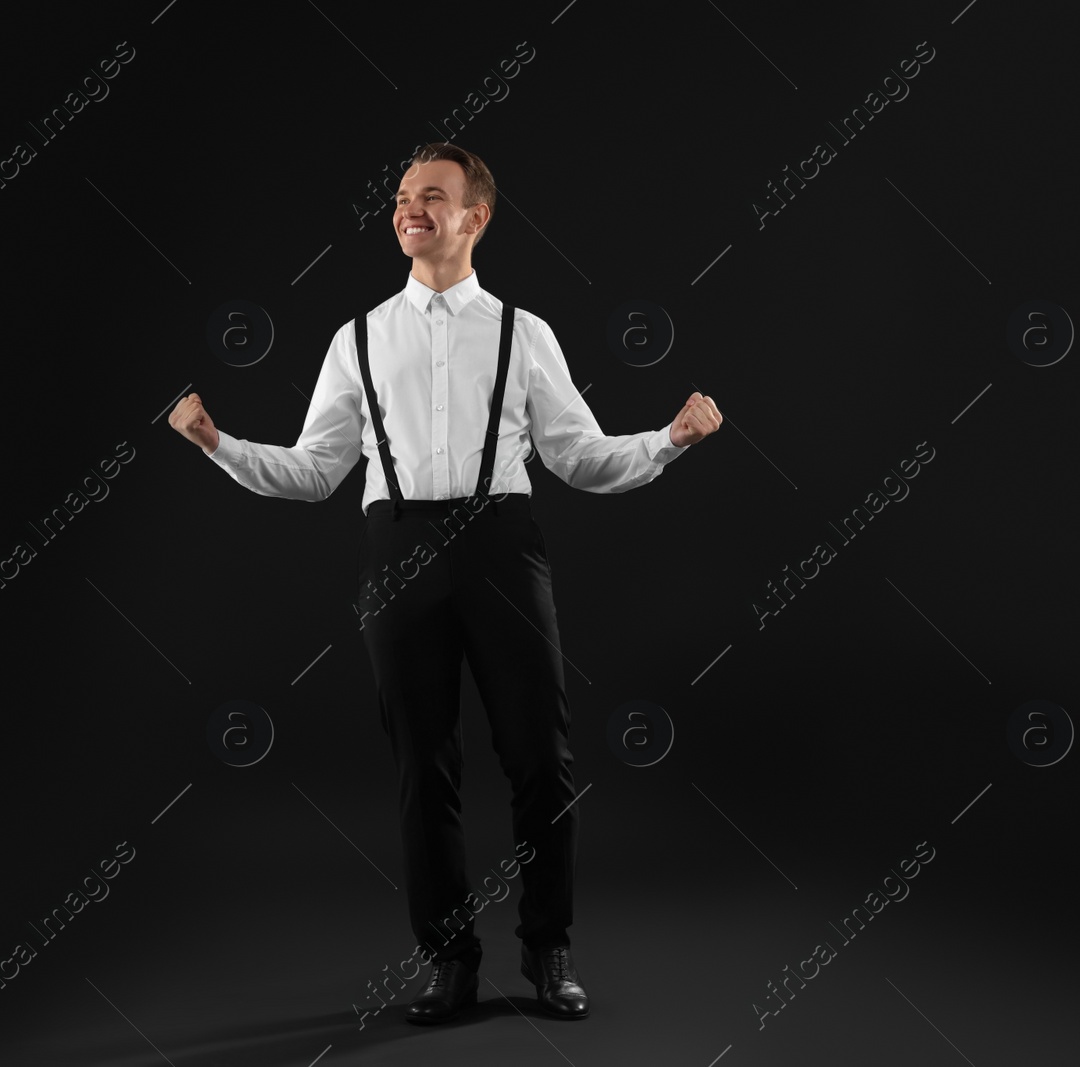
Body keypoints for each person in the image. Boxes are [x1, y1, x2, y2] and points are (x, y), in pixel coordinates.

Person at [170, 142, 722, 1023]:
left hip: (502, 544)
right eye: (400, 197)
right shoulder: (357, 339)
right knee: (421, 769)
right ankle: (450, 961)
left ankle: (548, 949)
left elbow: (577, 457)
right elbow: (317, 471)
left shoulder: (522, 331)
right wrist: (218, 445)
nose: (409, 208)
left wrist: (667, 441)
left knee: (541, 757)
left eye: (433, 196)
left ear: (476, 218)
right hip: (398, 552)